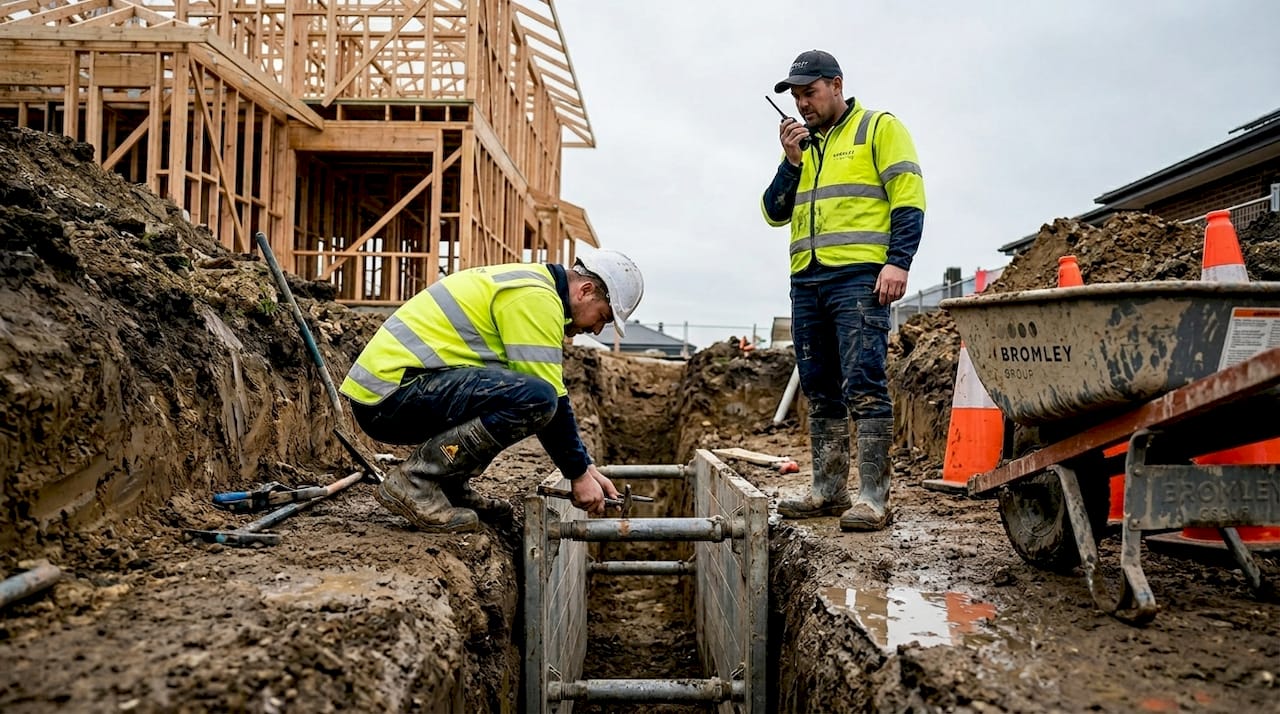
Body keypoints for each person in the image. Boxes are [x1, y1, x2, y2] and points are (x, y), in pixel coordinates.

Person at [339, 251, 644, 533]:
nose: (596, 330)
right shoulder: (535, 298)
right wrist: (577, 475)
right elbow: (550, 397)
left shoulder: (532, 286)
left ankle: (449, 485)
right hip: (392, 395)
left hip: (397, 390)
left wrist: (586, 467)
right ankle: (416, 481)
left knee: (520, 394)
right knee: (535, 399)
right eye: (603, 317)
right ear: (585, 290)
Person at [761, 50, 925, 531]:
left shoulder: (878, 129)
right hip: (807, 280)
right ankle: (829, 490)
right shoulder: (804, 147)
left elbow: (909, 199)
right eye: (796, 96)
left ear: (836, 85)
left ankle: (874, 498)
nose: (802, 103)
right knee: (818, 386)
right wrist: (792, 162)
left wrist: (898, 261)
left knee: (864, 383)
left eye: (809, 93)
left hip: (858, 278)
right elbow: (773, 212)